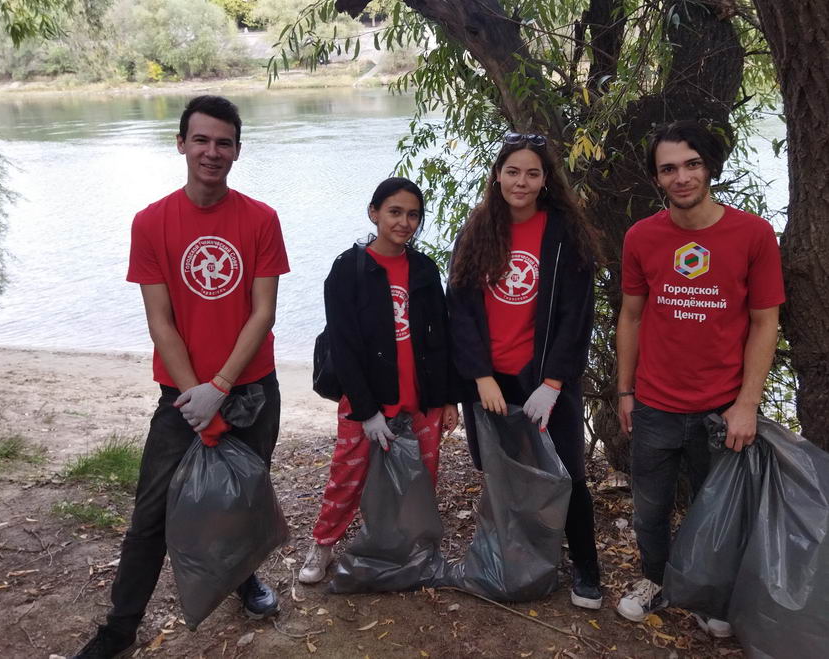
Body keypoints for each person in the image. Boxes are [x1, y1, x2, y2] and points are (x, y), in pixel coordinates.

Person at [73, 96, 290, 658]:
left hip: (250, 391)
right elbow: (159, 320)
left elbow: (262, 312)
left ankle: (242, 581)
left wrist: (219, 388)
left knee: (240, 500)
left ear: (237, 151)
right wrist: (196, 394)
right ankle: (120, 628)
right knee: (149, 518)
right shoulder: (151, 222)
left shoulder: (261, 219)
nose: (211, 152)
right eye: (201, 140)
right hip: (181, 395)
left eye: (223, 142)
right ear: (181, 144)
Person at [615, 120, 784, 636]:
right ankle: (653, 580)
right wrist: (625, 390)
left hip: (722, 407)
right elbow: (632, 317)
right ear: (657, 179)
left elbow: (764, 323)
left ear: (709, 166)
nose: (682, 177)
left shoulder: (752, 234)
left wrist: (748, 403)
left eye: (691, 164)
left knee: (720, 512)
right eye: (669, 169)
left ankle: (713, 596)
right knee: (650, 508)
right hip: (656, 405)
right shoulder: (642, 237)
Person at [446, 133, 602, 609]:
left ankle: (587, 570)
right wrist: (480, 375)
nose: (522, 181)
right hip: (493, 380)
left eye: (532, 173)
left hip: (547, 380)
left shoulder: (564, 233)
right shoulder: (477, 231)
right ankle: (519, 556)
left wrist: (554, 383)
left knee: (568, 473)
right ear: (497, 176)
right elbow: (460, 310)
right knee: (504, 472)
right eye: (513, 171)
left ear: (545, 179)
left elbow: (578, 314)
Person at [297, 177, 460, 584]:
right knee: (346, 476)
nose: (404, 222)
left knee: (421, 476)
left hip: (420, 396)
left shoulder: (423, 269)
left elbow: (440, 338)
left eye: (413, 215)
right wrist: (367, 411)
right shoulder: (348, 269)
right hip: (366, 399)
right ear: (374, 213)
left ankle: (414, 545)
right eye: (395, 212)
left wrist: (447, 400)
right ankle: (323, 545)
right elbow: (345, 346)